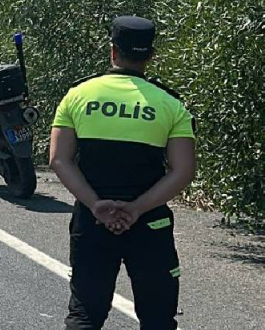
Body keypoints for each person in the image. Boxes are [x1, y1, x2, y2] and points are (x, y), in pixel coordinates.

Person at [49, 16, 196, 330]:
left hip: (92, 222)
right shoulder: (171, 103)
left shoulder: (77, 95)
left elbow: (59, 160)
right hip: (150, 224)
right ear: (150, 56)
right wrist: (137, 209)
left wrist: (95, 205)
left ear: (112, 51)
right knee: (158, 318)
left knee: (85, 315)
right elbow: (183, 171)